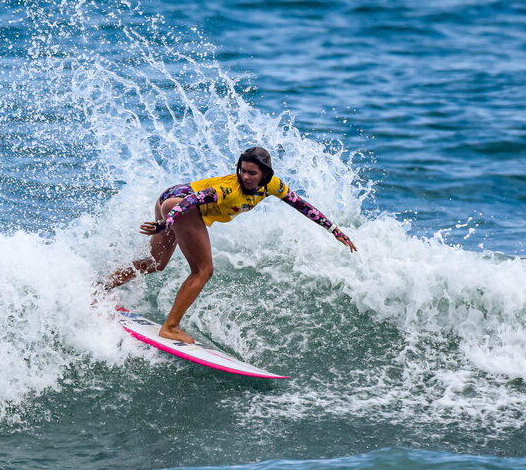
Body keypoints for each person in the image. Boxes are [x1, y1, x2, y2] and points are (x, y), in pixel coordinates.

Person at [103, 146, 357, 343]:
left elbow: (301, 205)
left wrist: (334, 230)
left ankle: (99, 287)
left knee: (156, 263)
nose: (245, 176)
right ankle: (170, 327)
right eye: (242, 170)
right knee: (203, 270)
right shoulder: (229, 190)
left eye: (251, 173)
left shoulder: (273, 186)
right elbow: (191, 201)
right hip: (177, 204)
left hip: (169, 198)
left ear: (265, 175)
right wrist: (164, 224)